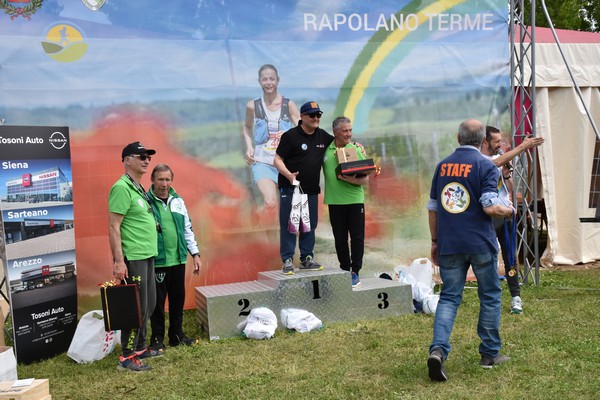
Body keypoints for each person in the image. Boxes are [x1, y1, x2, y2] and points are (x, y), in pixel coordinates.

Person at [427, 120, 515, 382]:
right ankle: (489, 354)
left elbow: (433, 207)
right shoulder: (487, 165)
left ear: (458, 137)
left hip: (450, 242)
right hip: (479, 243)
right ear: (483, 142)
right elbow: (490, 206)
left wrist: (434, 241)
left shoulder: (442, 165)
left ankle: (438, 350)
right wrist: (509, 210)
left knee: (449, 298)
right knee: (489, 295)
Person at [108, 141, 162, 372]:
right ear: (127, 160)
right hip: (134, 258)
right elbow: (113, 227)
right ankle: (127, 357)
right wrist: (119, 262)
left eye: (148, 156)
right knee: (135, 308)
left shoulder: (137, 187)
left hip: (147, 255)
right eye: (141, 156)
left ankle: (140, 348)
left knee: (148, 305)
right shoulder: (121, 187)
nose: (146, 160)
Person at [482, 126, 544, 314]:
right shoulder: (481, 161)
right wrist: (523, 147)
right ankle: (490, 298)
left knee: (510, 257)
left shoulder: (500, 161)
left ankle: (515, 297)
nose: (500, 145)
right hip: (490, 217)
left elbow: (509, 186)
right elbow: (496, 162)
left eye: (501, 141)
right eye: (497, 142)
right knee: (488, 258)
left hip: (506, 215)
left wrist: (507, 174)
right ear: (485, 142)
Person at [274, 101, 333, 274]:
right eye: (312, 115)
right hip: (291, 188)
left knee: (308, 225)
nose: (316, 118)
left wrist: (355, 145)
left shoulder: (322, 136)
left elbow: (339, 143)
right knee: (291, 225)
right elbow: (277, 160)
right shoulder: (291, 136)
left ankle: (307, 258)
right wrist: (289, 175)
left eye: (318, 115)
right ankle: (287, 260)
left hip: (311, 190)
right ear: (302, 117)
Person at [147, 164, 202, 351]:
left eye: (167, 179)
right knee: (157, 304)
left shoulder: (178, 201)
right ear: (152, 180)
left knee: (178, 299)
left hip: (178, 260)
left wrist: (195, 254)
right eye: (160, 179)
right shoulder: (145, 201)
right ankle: (156, 339)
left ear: (172, 180)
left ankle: (177, 336)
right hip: (158, 261)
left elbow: (187, 229)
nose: (164, 184)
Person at [243, 64, 300, 223]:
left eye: (272, 79)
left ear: (278, 80)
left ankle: (283, 241)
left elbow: (303, 129)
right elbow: (247, 127)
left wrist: (290, 135)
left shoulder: (288, 105)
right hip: (263, 163)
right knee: (270, 203)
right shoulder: (252, 106)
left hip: (285, 164)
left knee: (288, 207)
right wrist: (249, 147)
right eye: (264, 79)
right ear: (259, 81)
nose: (268, 82)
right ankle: (269, 244)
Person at [323, 116, 369, 288]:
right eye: (345, 131)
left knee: (357, 237)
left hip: (355, 200)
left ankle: (355, 271)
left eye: (350, 130)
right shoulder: (326, 151)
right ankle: (344, 270)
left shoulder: (355, 149)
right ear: (335, 132)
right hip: (335, 202)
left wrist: (350, 180)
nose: (349, 134)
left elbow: (365, 180)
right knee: (340, 239)